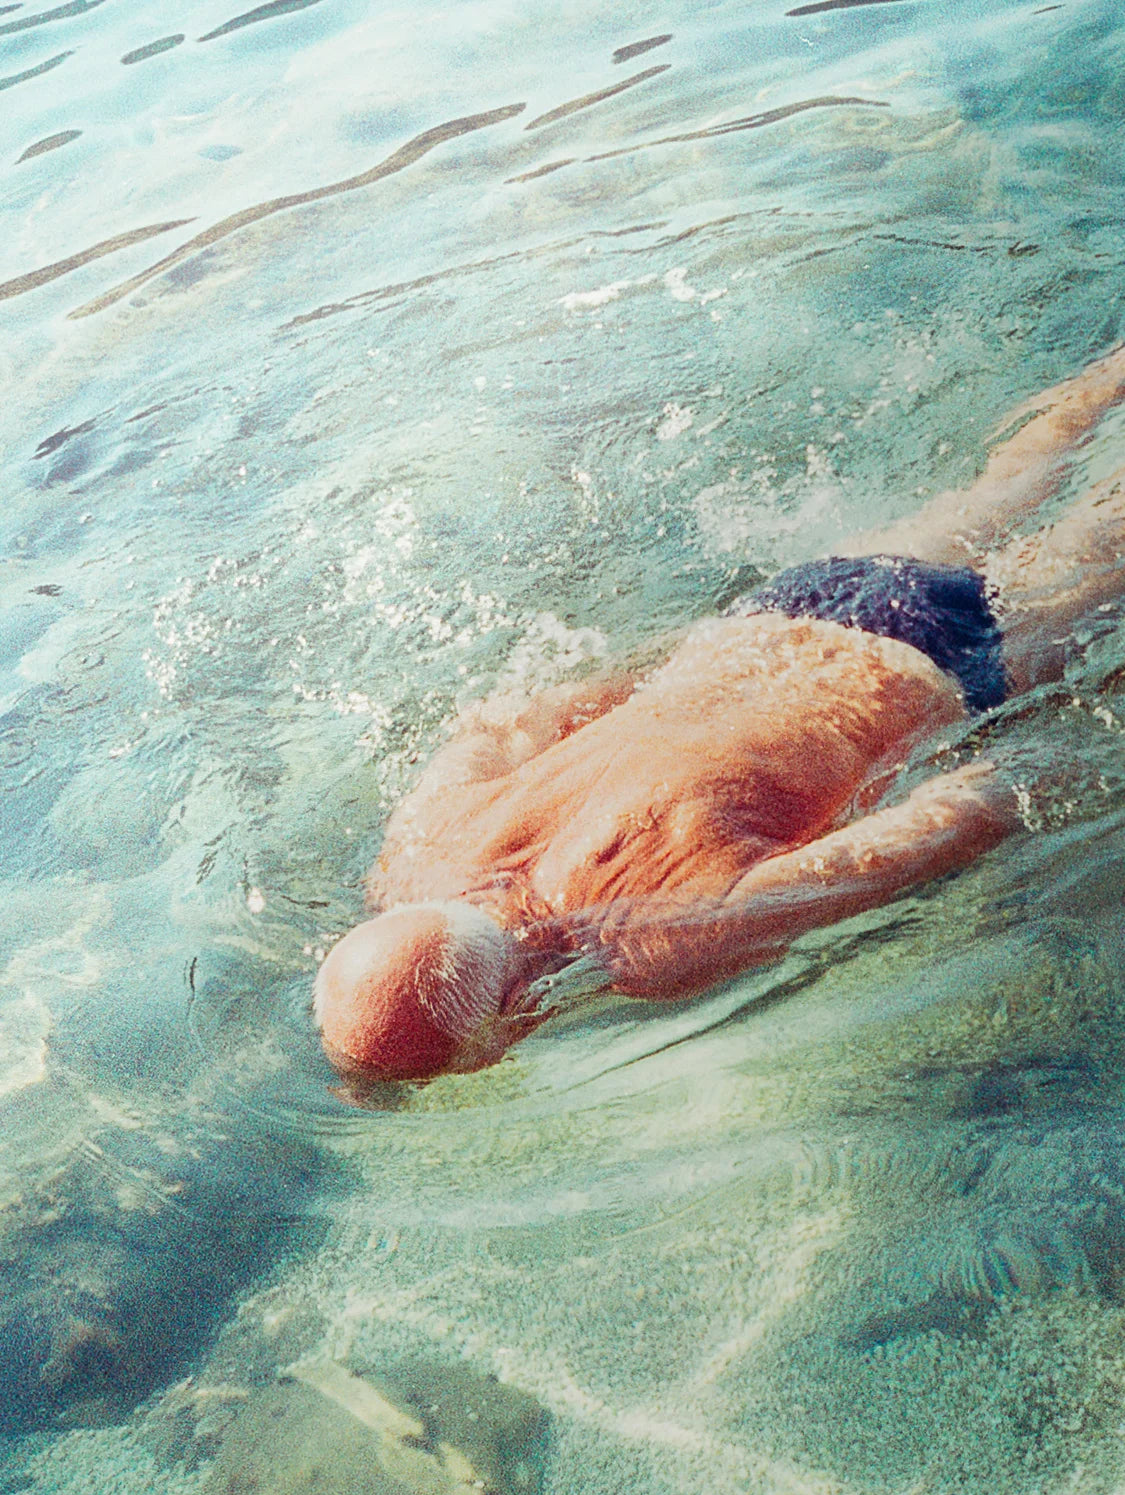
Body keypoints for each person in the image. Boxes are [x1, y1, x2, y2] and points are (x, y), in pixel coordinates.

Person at [314, 346, 1125, 1081]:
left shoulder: (662, 941)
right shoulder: (416, 851)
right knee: (1012, 474)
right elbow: (509, 716)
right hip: (779, 610)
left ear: (517, 1014)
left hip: (940, 656)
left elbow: (961, 810)